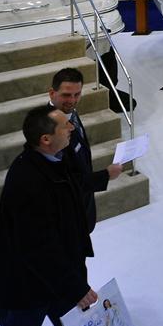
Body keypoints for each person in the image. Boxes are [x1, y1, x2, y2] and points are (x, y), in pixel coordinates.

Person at [0, 105, 97, 326]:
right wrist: (75, 285)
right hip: (32, 283)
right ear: (46, 139)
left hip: (58, 274)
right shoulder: (27, 180)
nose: (71, 127)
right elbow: (37, 247)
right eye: (64, 126)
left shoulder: (57, 159)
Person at [49, 68, 123, 234]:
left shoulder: (69, 113)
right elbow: (64, 183)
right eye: (66, 95)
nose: (72, 100)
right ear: (52, 93)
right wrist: (106, 175)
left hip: (82, 208)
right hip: (66, 217)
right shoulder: (49, 130)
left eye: (77, 94)